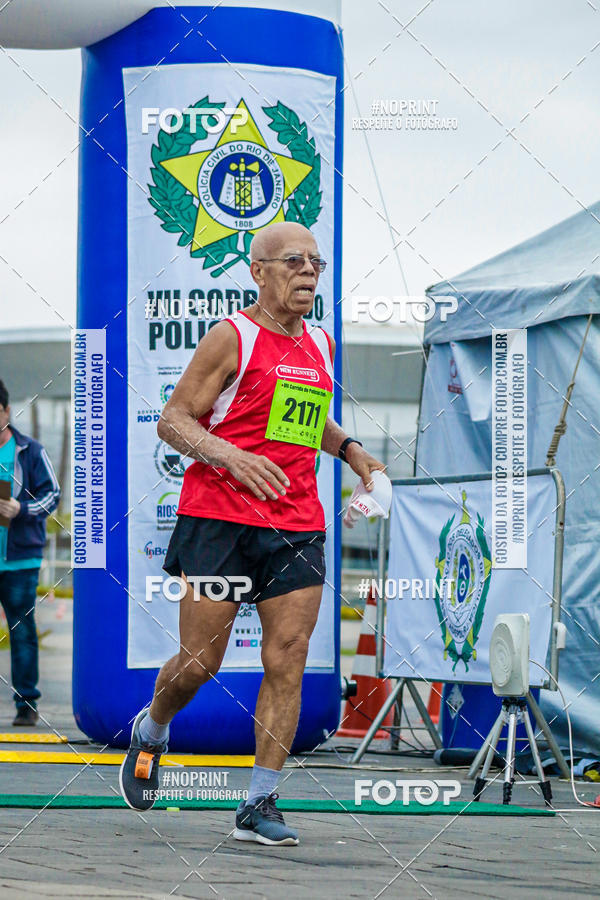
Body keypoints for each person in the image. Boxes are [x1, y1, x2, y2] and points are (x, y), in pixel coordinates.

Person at [119, 222, 385, 844]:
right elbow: (173, 420)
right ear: (258, 271)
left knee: (287, 657)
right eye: (293, 261)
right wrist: (230, 456)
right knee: (199, 663)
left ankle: (258, 802)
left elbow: (309, 419)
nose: (308, 271)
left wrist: (351, 450)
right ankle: (152, 730)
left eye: (315, 263)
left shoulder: (321, 341)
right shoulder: (230, 336)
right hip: (220, 520)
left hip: (295, 523)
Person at [0, 379, 61, 726]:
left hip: (20, 560)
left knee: (21, 631)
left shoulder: (30, 450)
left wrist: (20, 509)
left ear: (7, 411)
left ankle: (26, 704)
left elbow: (53, 495)